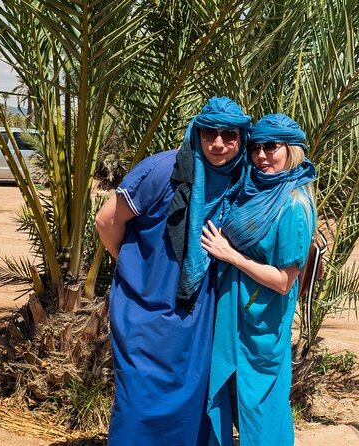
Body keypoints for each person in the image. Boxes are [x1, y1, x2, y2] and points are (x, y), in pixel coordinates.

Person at [95, 96, 251, 445]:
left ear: (242, 139)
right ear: (197, 133)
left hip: (199, 317)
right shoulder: (164, 170)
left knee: (194, 401)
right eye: (210, 133)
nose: (219, 144)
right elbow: (106, 220)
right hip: (144, 313)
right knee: (139, 400)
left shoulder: (242, 181)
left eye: (229, 135)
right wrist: (137, 267)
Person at [202, 113, 317, 446]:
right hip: (234, 316)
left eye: (271, 147)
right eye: (255, 148)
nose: (261, 156)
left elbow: (284, 281)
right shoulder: (254, 191)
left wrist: (230, 255)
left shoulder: (294, 205)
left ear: (291, 150)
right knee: (229, 399)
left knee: (263, 410)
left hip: (263, 324)